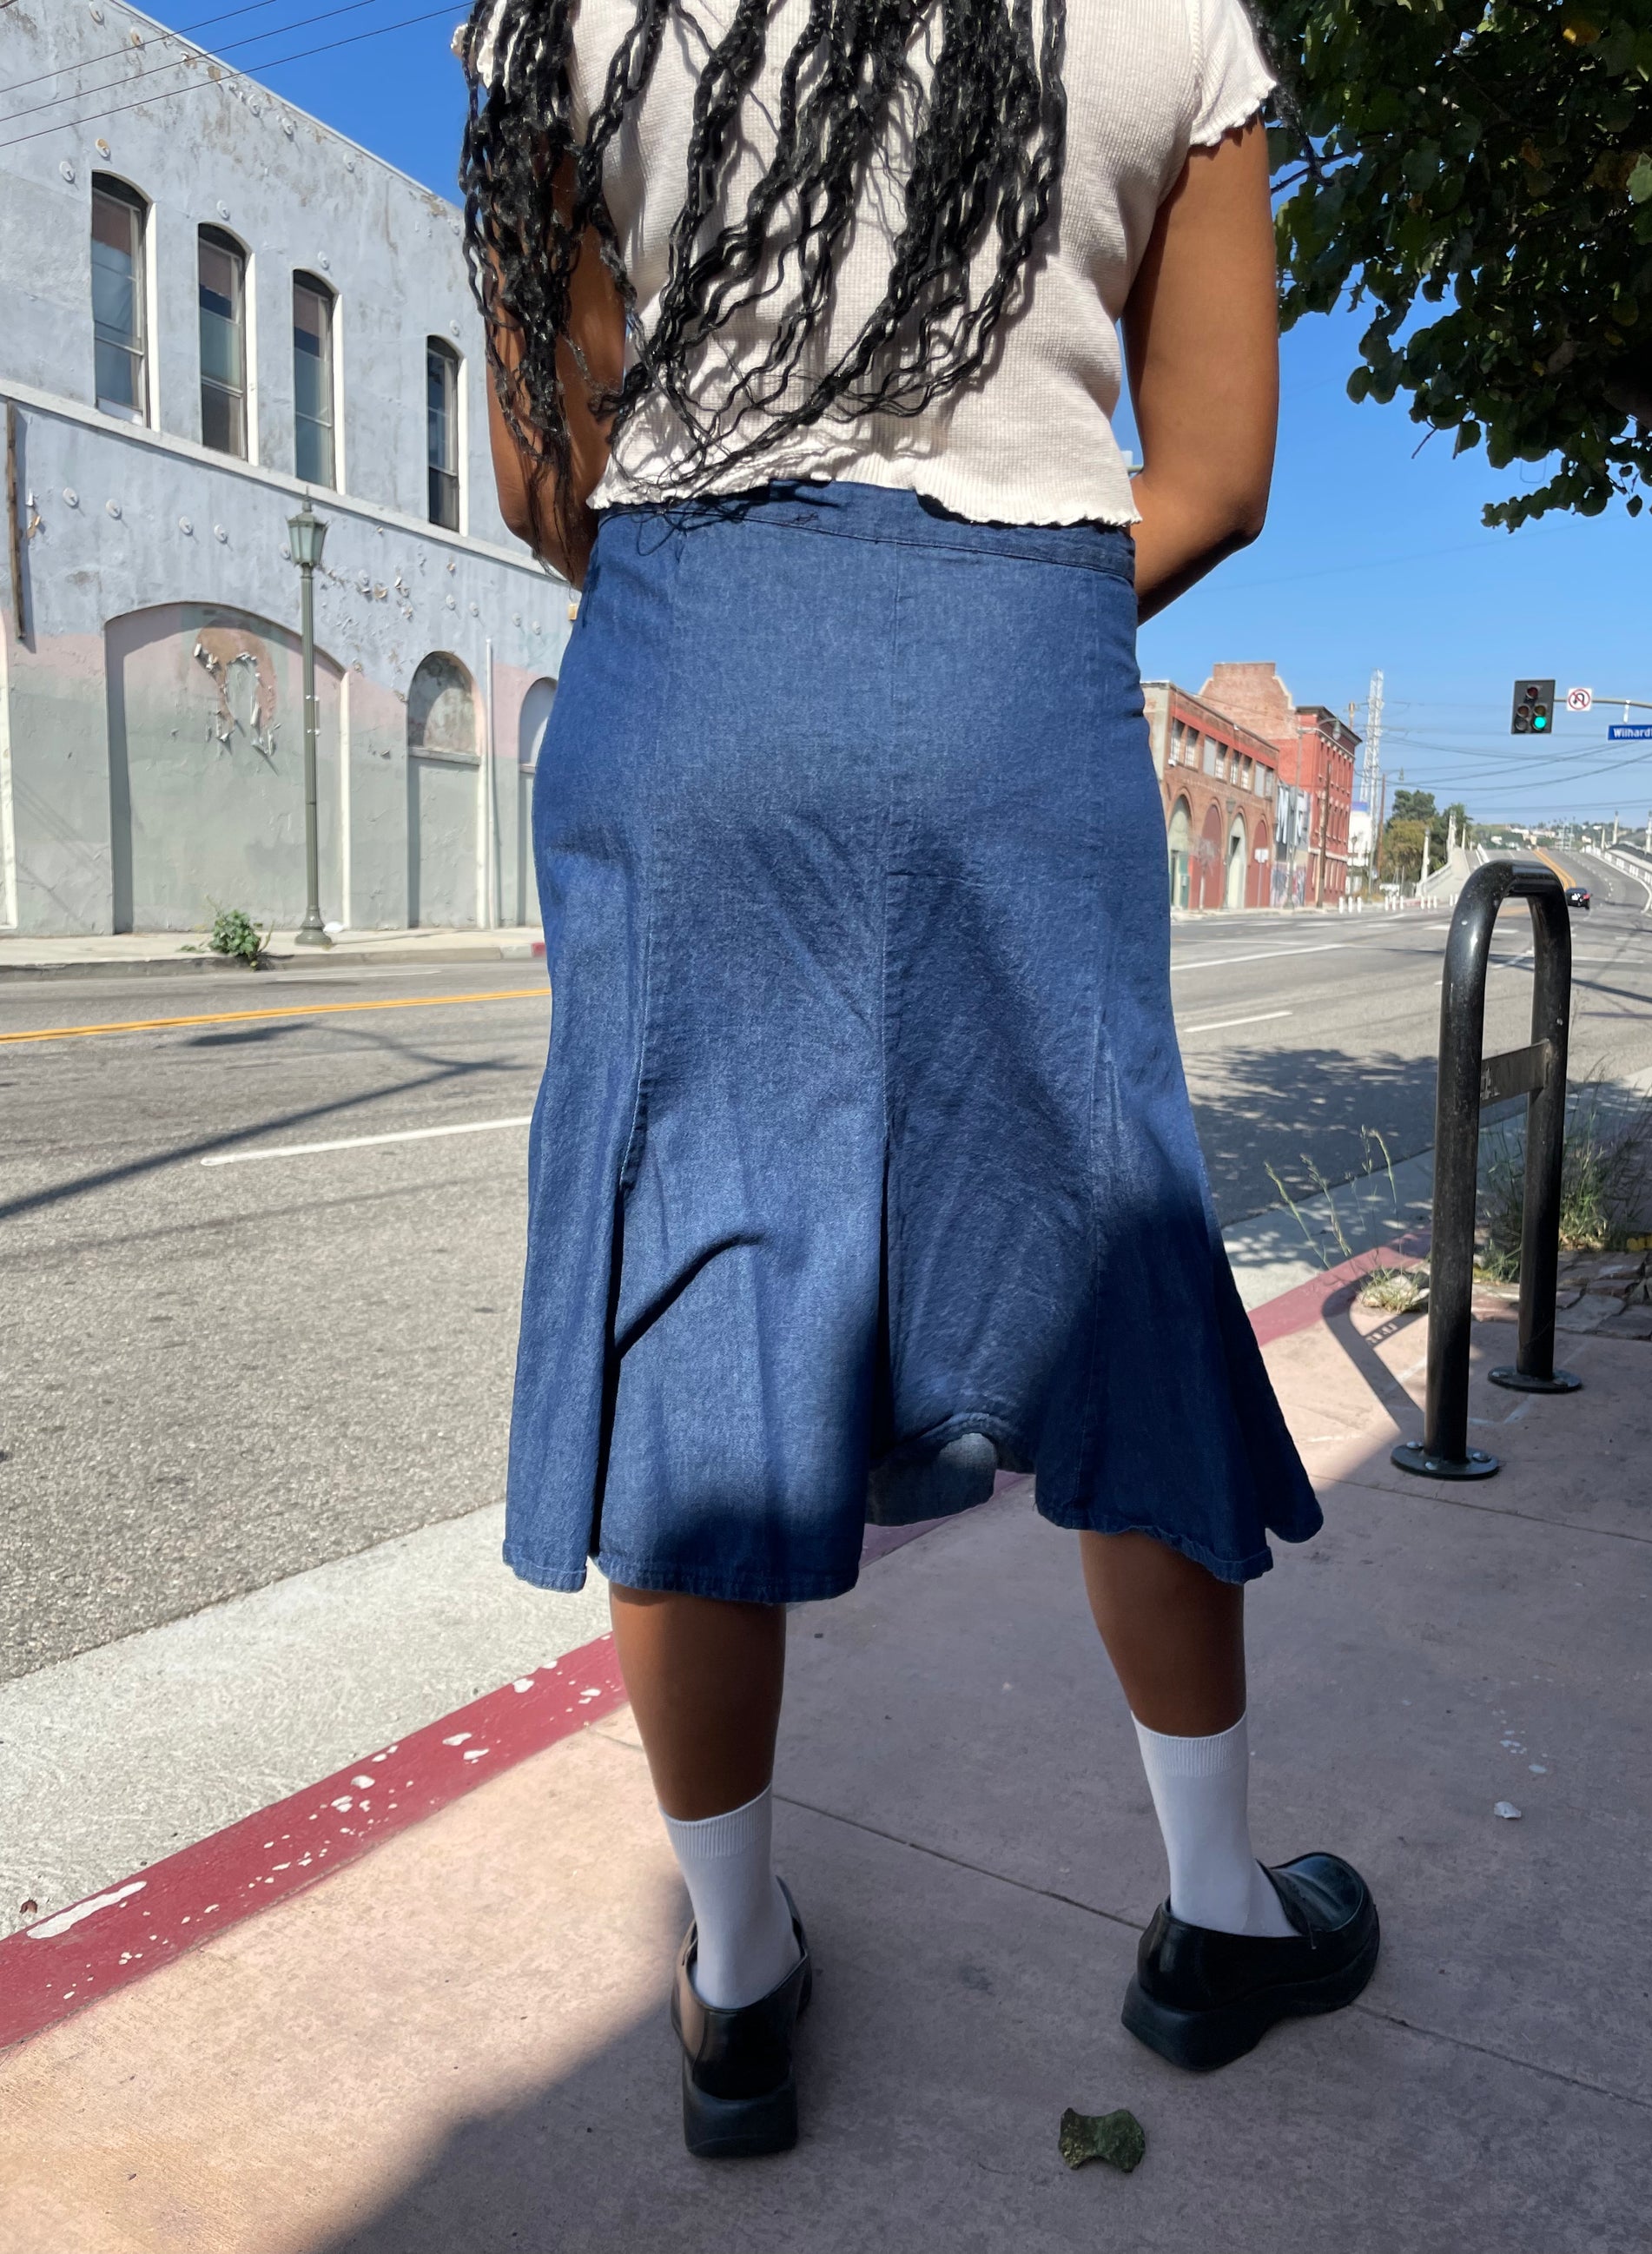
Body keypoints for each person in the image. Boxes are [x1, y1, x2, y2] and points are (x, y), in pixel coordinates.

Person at [465, 0, 1378, 2160]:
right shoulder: (1182, 21)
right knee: (1107, 1251)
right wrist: (995, 624)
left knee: (696, 1284)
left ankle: (739, 1979)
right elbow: (1220, 472)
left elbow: (545, 469)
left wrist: (751, 630)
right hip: (1022, 684)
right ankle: (1216, 1908)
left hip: (691, 661)